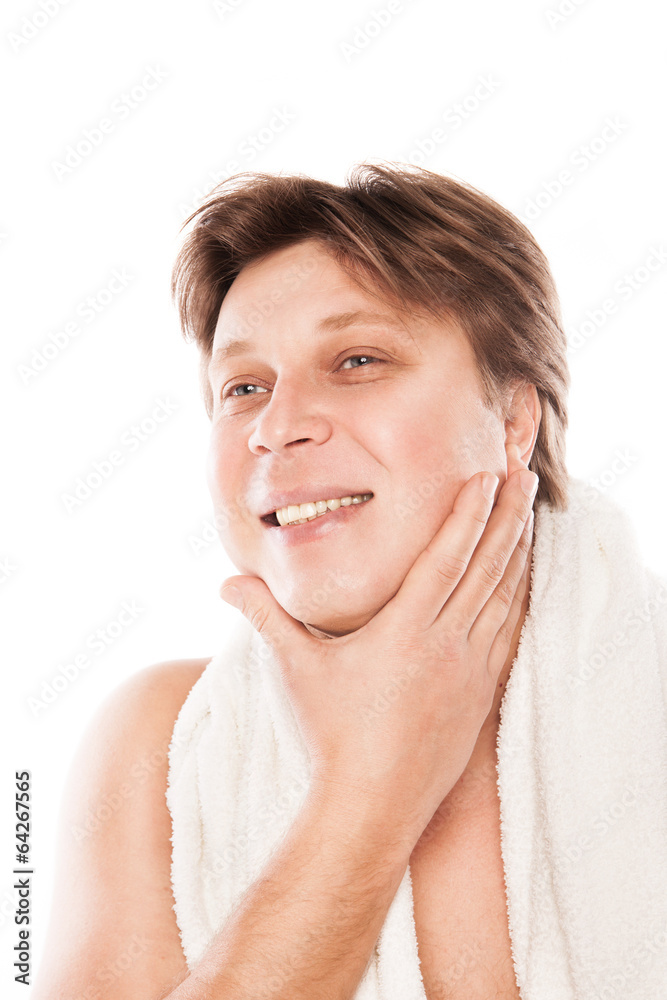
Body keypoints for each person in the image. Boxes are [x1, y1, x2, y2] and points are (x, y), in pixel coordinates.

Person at [32, 163, 667, 1000]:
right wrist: (371, 790)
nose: (275, 426)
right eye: (244, 387)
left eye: (357, 359)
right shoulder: (160, 747)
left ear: (514, 421)